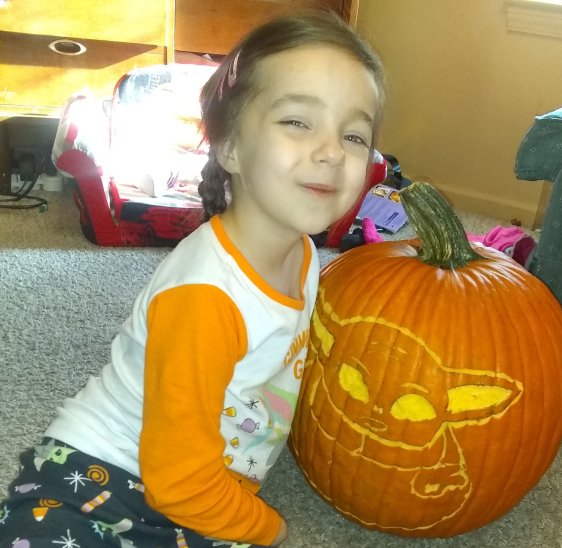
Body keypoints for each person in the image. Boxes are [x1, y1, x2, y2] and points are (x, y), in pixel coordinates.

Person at [0, 10, 385, 548]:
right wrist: (272, 530)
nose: (331, 151)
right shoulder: (205, 298)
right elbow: (179, 482)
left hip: (192, 484)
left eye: (354, 135)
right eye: (298, 122)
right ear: (230, 147)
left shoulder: (303, 254)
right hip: (100, 475)